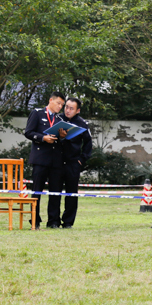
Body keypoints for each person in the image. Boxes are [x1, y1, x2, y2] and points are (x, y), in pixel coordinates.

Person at [24, 92, 66, 228]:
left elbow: (61, 140)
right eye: (58, 103)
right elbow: (28, 132)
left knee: (55, 191)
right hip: (40, 158)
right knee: (37, 190)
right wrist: (43, 138)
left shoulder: (60, 119)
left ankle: (53, 221)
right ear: (50, 100)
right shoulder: (37, 113)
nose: (60, 107)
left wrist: (62, 136)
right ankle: (34, 220)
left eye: (62, 105)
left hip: (55, 159)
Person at [57, 97, 93, 229]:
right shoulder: (57, 119)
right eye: (66, 107)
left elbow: (88, 143)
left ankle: (68, 222)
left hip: (73, 162)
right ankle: (53, 221)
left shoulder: (82, 123)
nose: (67, 110)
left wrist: (82, 160)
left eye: (71, 108)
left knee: (71, 193)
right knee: (55, 192)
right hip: (56, 161)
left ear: (78, 110)